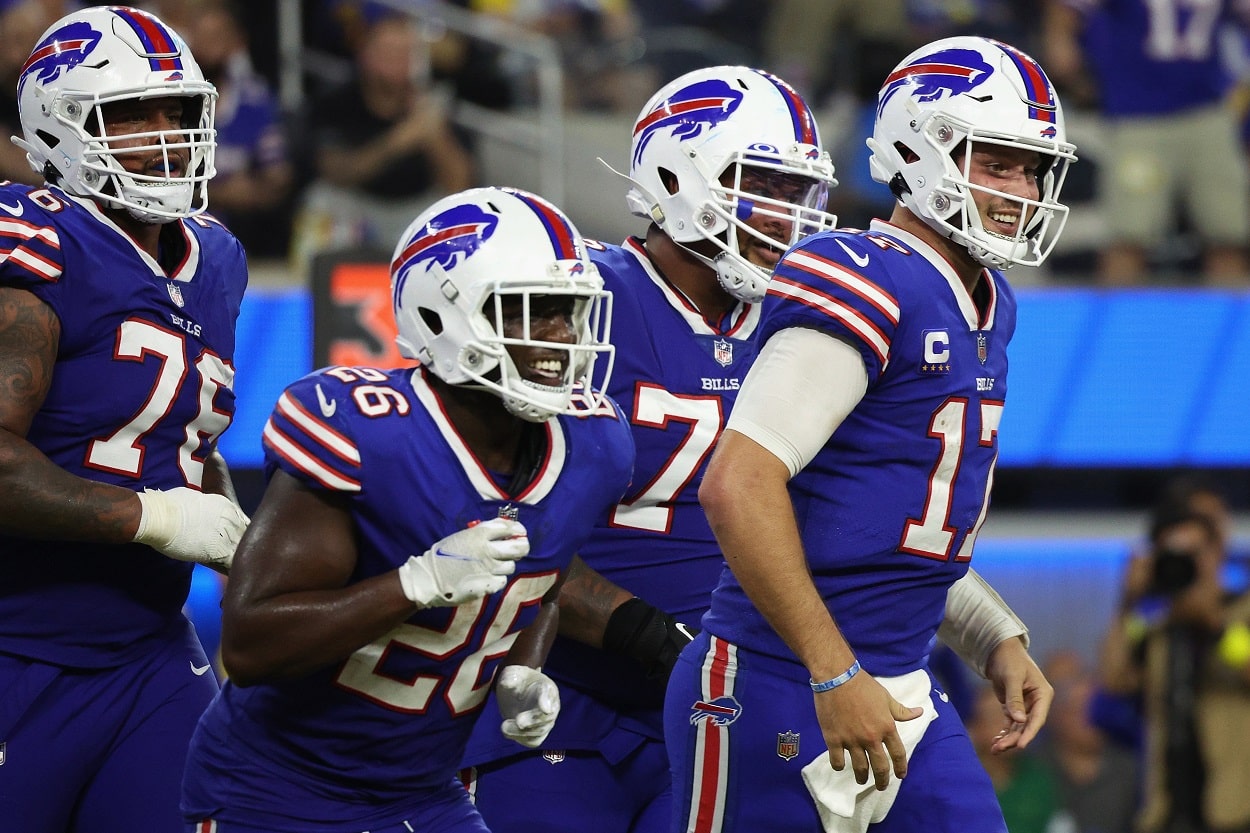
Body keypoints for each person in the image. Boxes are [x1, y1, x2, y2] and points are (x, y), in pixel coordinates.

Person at [461, 63, 1061, 833]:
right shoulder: (580, 306)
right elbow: (494, 516)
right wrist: (638, 629)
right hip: (571, 706)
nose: (784, 216)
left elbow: (871, 525)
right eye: (761, 186)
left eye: (796, 193)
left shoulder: (820, 312)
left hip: (774, 677)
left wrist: (988, 628)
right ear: (677, 174)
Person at [674, 35, 1078, 832]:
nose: (1021, 187)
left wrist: (994, 635)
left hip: (904, 685)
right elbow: (738, 482)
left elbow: (894, 529)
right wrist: (832, 672)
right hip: (776, 678)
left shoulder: (990, 304)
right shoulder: (865, 274)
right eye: (996, 162)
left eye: (1031, 168)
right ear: (917, 149)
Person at [180, 185, 636, 833]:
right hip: (278, 789)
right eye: (531, 313)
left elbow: (541, 581)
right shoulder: (371, 436)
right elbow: (251, 644)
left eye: (568, 312)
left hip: (423, 790)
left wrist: (524, 668)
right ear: (442, 316)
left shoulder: (594, 441)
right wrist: (413, 583)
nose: (561, 338)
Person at [0, 6, 251, 832]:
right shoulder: (36, 244)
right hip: (18, 646)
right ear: (57, 128)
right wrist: (157, 516)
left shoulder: (215, 256)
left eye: (176, 111)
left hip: (149, 651)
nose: (163, 134)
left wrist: (220, 515)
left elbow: (174, 432)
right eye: (129, 115)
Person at [1042, 0, 1250, 286]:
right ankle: (1116, 326)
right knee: (1129, 235)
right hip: (1138, 116)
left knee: (1229, 234)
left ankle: (1235, 327)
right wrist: (1070, 58)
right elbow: (1066, 15)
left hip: (1208, 110)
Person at [1099, 492, 1250, 833]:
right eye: (1173, 554)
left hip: (1235, 809)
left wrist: (1215, 627)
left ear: (1216, 554)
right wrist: (1128, 601)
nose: (1185, 564)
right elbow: (1113, 678)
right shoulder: (1156, 625)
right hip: (1166, 812)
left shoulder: (1242, 610)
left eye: (1193, 553)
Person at [291, 12, 475, 269]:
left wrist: (435, 136)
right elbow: (335, 172)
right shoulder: (336, 101)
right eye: (386, 52)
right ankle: (310, 288)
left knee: (459, 214)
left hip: (414, 210)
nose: (395, 61)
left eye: (404, 54)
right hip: (355, 207)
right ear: (365, 55)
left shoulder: (432, 104)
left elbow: (459, 185)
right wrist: (398, 141)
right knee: (320, 200)